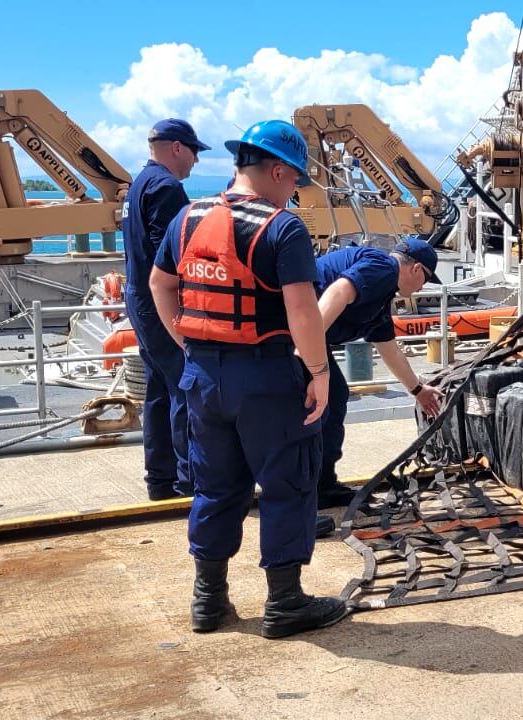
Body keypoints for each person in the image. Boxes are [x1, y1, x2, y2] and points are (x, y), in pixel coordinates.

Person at [148, 119, 348, 638]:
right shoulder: (282, 228)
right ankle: (286, 604)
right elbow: (303, 312)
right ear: (278, 170)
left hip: (204, 377)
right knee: (287, 484)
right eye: (296, 180)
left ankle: (209, 602)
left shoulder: (188, 218)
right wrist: (320, 372)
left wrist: (187, 343)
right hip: (267, 378)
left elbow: (159, 284)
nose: (296, 191)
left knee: (215, 488)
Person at [312, 238, 445, 510]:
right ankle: (310, 489)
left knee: (334, 396)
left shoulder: (380, 297)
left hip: (304, 333)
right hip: (292, 331)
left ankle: (321, 484)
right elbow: (338, 292)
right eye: (425, 281)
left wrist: (419, 391)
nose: (421, 289)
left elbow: (389, 349)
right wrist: (305, 353)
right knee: (319, 403)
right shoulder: (383, 267)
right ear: (417, 269)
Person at [124, 119, 208, 501]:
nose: (194, 161)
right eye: (193, 152)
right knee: (184, 388)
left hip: (139, 298)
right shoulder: (166, 187)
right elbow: (172, 254)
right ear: (177, 147)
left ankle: (159, 480)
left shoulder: (139, 182)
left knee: (158, 388)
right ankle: (190, 480)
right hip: (162, 302)